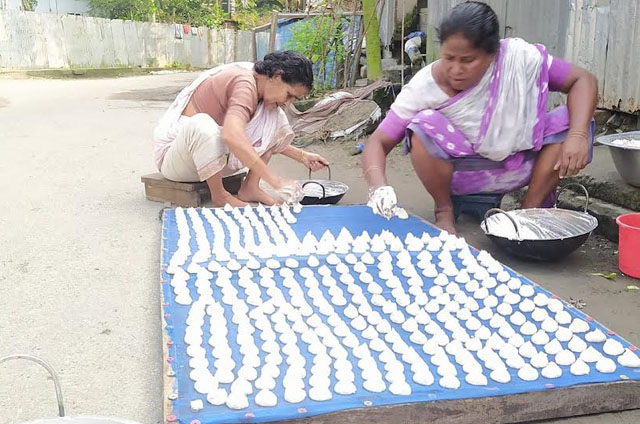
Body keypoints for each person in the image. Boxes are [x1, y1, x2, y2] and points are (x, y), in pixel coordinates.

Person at [362, 1, 597, 234]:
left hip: (523, 165)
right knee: (421, 127)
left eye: (468, 60)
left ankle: (528, 212)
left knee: (575, 121)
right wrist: (379, 187)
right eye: (449, 58)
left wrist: (577, 135)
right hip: (463, 173)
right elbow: (378, 143)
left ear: (493, 55)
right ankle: (444, 212)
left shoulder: (517, 59)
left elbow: (583, 80)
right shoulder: (424, 87)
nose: (456, 69)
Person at [153, 50, 329, 206]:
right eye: (289, 95)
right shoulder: (244, 83)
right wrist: (276, 181)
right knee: (202, 125)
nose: (286, 102)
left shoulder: (262, 88)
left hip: (209, 159)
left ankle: (250, 187)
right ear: (276, 76)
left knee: (275, 117)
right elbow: (232, 135)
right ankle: (220, 196)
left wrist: (302, 156)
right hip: (178, 161)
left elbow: (269, 138)